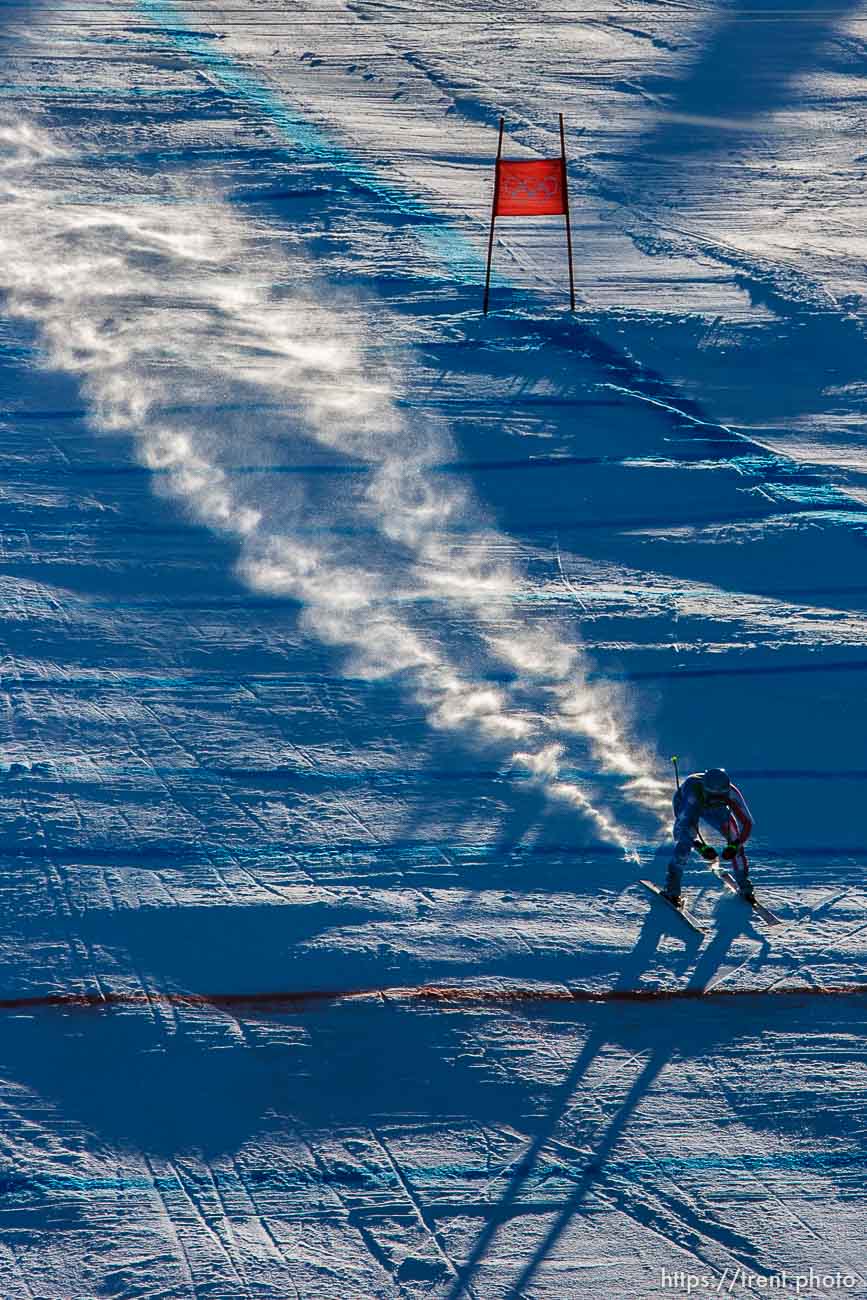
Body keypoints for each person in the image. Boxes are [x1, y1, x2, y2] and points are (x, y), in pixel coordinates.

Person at [663, 767, 755, 906]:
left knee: (735, 838)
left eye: (721, 797)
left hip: (718, 812)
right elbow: (680, 829)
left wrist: (735, 845)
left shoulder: (732, 793)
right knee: (684, 845)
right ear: (705, 790)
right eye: (713, 796)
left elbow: (747, 823)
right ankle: (672, 887)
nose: (716, 800)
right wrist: (700, 846)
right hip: (690, 806)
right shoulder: (692, 795)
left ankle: (744, 884)